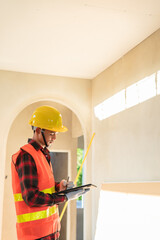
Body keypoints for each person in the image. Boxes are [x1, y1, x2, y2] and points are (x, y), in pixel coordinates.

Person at [11, 105, 89, 240]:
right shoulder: (26, 156)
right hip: (34, 234)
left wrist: (60, 187)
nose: (54, 138)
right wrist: (64, 197)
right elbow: (32, 197)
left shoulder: (42, 154)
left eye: (56, 134)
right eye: (52, 133)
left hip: (50, 230)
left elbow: (43, 186)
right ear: (39, 130)